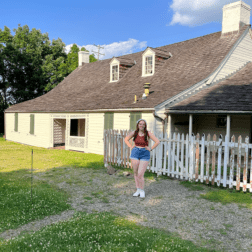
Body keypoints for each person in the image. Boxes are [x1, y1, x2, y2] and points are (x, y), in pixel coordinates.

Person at [124, 119, 160, 198]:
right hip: (135, 153)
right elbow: (126, 139)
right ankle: (138, 190)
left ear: (145, 125)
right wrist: (131, 146)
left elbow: (157, 141)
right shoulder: (134, 133)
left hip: (145, 153)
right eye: (140, 124)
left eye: (143, 124)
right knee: (136, 173)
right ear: (138, 125)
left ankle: (142, 190)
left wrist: (150, 148)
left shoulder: (148, 133)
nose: (142, 125)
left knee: (140, 174)